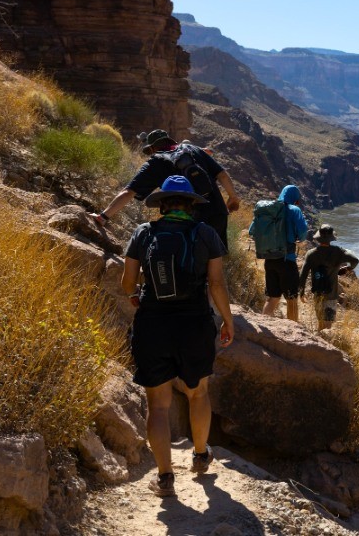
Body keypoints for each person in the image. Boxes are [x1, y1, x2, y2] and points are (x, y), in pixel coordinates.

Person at [121, 175, 234, 497]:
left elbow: (128, 283)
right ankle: (200, 456)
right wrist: (227, 321)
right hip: (195, 324)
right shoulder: (205, 233)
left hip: (153, 324)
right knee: (198, 392)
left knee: (157, 405)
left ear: (163, 205)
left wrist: (135, 294)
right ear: (191, 204)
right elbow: (216, 284)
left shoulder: (144, 233)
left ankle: (165, 476)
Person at [93, 129, 241, 247]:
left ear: (151, 148)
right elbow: (222, 175)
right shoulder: (193, 149)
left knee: (190, 260)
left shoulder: (154, 163)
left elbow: (128, 192)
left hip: (187, 219)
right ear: (169, 140)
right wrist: (233, 198)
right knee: (215, 257)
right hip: (217, 212)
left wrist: (103, 217)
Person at [261, 184, 309, 322]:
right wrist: (300, 239)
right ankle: (293, 332)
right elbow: (303, 232)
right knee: (292, 299)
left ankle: (265, 327)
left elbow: (252, 231)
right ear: (295, 198)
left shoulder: (267, 209)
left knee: (272, 298)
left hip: (269, 259)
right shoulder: (294, 210)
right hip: (287, 260)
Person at [299, 224, 359, 331]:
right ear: (331, 238)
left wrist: (302, 292)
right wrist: (346, 269)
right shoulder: (338, 251)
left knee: (320, 322)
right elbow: (355, 260)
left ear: (318, 238)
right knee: (328, 324)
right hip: (331, 294)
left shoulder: (311, 254)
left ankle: (319, 342)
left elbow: (303, 274)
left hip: (318, 293)